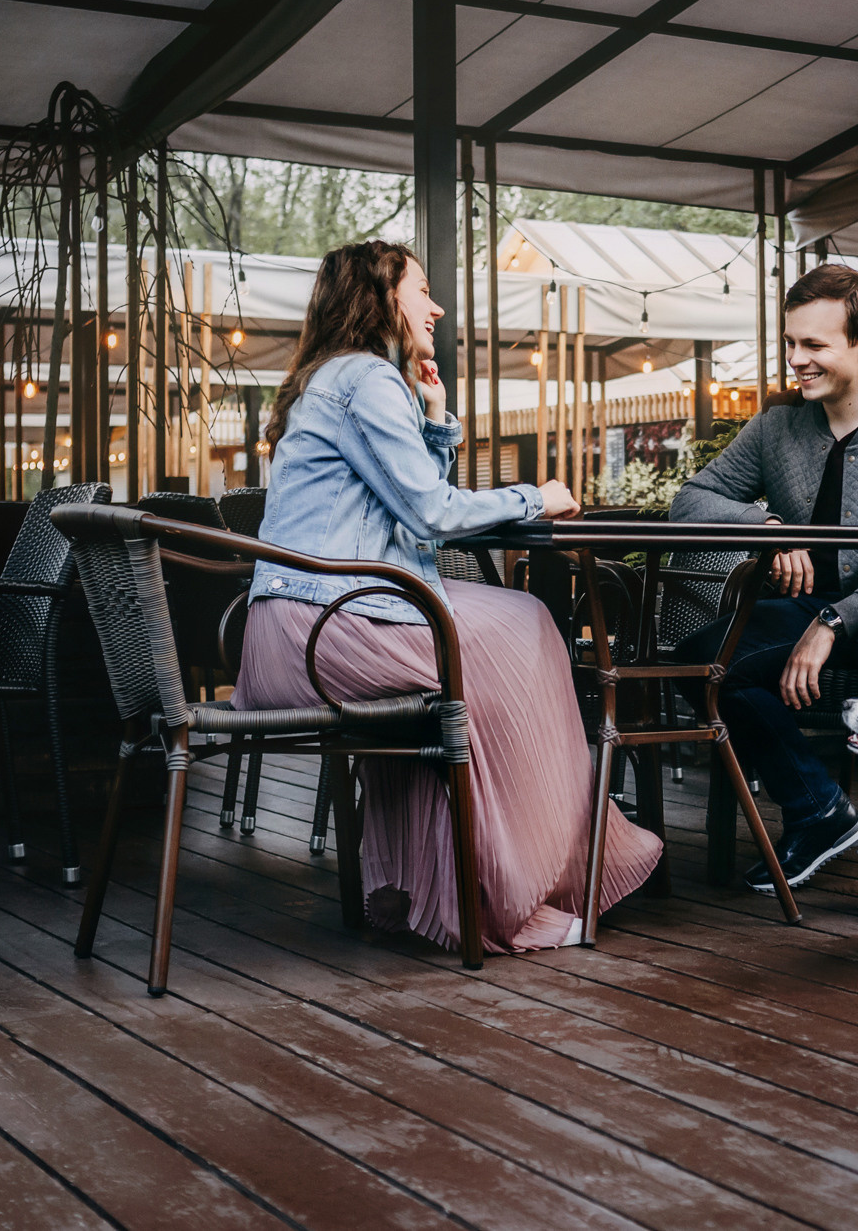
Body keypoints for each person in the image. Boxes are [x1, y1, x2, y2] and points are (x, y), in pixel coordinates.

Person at [233, 240, 661, 954]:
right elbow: (430, 513)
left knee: (483, 666)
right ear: (379, 297)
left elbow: (404, 503)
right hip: (329, 626)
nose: (435, 307)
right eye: (421, 290)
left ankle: (445, 891)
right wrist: (538, 495)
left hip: (294, 627)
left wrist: (434, 413)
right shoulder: (366, 379)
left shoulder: (336, 377)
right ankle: (515, 897)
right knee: (523, 634)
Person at [672, 263, 858, 923]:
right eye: (791, 344)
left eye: (814, 345)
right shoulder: (778, 424)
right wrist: (768, 528)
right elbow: (689, 498)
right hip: (808, 612)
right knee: (702, 660)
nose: (796, 360)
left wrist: (837, 617)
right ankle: (818, 809)